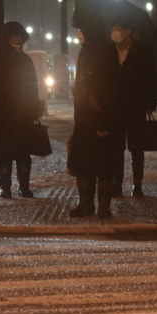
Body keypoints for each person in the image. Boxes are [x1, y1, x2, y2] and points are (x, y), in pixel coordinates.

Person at [68, 12, 119, 218]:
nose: (79, 33)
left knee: (94, 163)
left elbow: (104, 88)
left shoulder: (96, 53)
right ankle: (96, 205)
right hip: (90, 117)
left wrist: (102, 118)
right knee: (95, 163)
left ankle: (94, 205)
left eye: (81, 29)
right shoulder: (102, 51)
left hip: (94, 116)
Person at [0, 21, 43, 199]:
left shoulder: (24, 58)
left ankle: (24, 186)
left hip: (23, 112)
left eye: (20, 36)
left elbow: (32, 85)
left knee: (22, 151)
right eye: (15, 35)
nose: (18, 39)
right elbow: (1, 82)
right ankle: (6, 187)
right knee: (4, 152)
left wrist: (34, 106)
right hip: (4, 112)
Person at [109, 16, 157, 198]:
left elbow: (150, 78)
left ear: (128, 31)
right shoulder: (110, 51)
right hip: (115, 107)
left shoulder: (141, 51)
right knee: (116, 148)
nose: (115, 30)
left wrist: (150, 104)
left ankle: (137, 184)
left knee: (137, 148)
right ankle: (117, 184)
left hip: (136, 106)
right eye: (114, 26)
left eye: (118, 26)